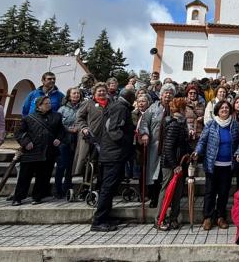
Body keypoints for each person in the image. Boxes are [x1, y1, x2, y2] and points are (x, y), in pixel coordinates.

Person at [90, 89, 137, 232]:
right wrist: (129, 141)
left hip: (112, 153)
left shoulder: (116, 106)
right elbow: (114, 130)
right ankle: (99, 220)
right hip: (114, 154)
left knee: (110, 187)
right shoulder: (121, 108)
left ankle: (106, 216)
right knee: (108, 187)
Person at [194, 99, 239, 230]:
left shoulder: (235, 125)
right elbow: (202, 141)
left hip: (227, 165)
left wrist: (238, 153)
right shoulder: (211, 124)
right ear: (217, 111)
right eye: (222, 108)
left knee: (224, 192)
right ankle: (208, 217)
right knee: (210, 192)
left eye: (227, 108)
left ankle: (221, 217)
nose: (225, 110)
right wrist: (197, 151)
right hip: (212, 165)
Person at [13, 96, 63, 205]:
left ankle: (37, 197)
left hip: (48, 151)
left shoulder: (57, 117)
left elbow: (61, 131)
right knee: (24, 176)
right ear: (39, 106)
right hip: (31, 152)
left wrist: (58, 139)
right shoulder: (29, 118)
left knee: (43, 176)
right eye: (46, 103)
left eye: (49, 103)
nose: (49, 105)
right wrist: (26, 142)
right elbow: (19, 132)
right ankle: (18, 197)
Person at [155, 97, 191, 230]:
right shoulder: (174, 124)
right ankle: (160, 219)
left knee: (177, 193)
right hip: (171, 165)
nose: (186, 110)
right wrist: (175, 165)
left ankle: (173, 218)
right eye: (185, 108)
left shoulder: (180, 123)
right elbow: (168, 147)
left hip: (179, 163)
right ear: (180, 109)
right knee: (166, 191)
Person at [140, 83, 176, 208]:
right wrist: (144, 133)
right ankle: (154, 198)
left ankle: (167, 199)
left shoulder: (175, 109)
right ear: (161, 95)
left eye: (170, 93)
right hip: (155, 145)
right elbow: (144, 122)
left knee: (166, 174)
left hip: (170, 146)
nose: (168, 95)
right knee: (154, 172)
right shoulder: (153, 108)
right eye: (166, 93)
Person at [72, 83, 110, 177]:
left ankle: (99, 186)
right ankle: (86, 187)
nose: (102, 93)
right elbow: (79, 117)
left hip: (106, 138)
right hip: (90, 137)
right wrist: (84, 127)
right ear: (94, 92)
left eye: (103, 91)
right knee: (89, 162)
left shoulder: (112, 103)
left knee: (102, 163)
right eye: (99, 91)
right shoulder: (88, 103)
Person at [55, 87, 82, 199]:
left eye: (78, 93)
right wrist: (68, 129)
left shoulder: (82, 108)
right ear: (69, 96)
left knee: (71, 165)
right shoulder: (62, 109)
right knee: (61, 165)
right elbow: (57, 124)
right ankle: (58, 189)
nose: (76, 95)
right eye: (74, 93)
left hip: (77, 140)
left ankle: (67, 187)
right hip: (64, 139)